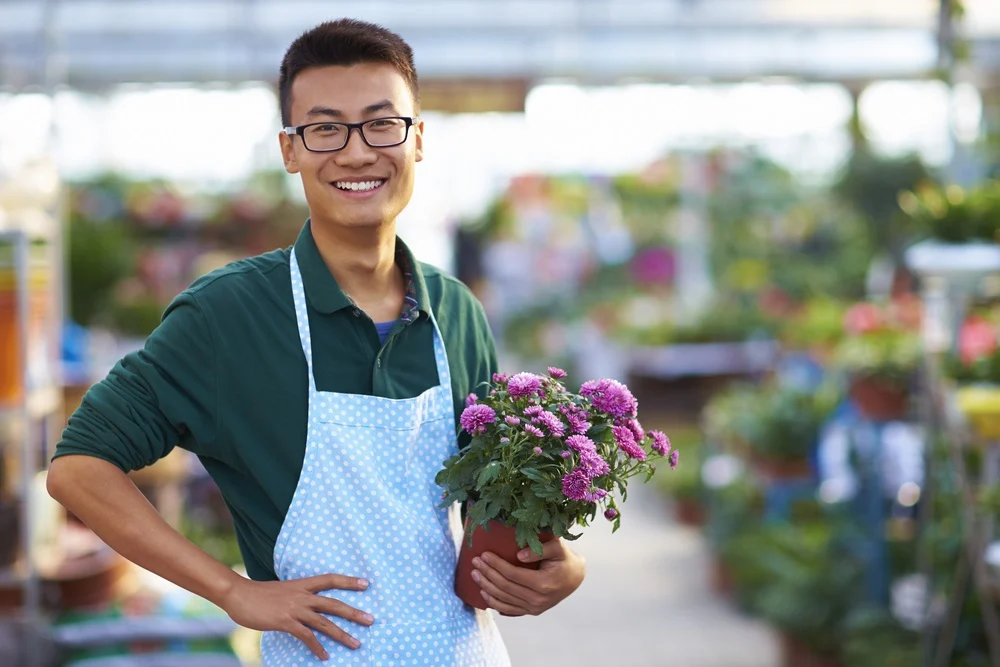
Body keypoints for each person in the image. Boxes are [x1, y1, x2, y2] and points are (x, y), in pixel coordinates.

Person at [46, 18, 585, 666]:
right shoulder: (231, 314)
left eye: (382, 124)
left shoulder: (456, 312)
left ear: (418, 141)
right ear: (290, 149)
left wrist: (561, 565)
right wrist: (232, 591)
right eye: (325, 128)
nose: (357, 153)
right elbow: (79, 467)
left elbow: (488, 512)